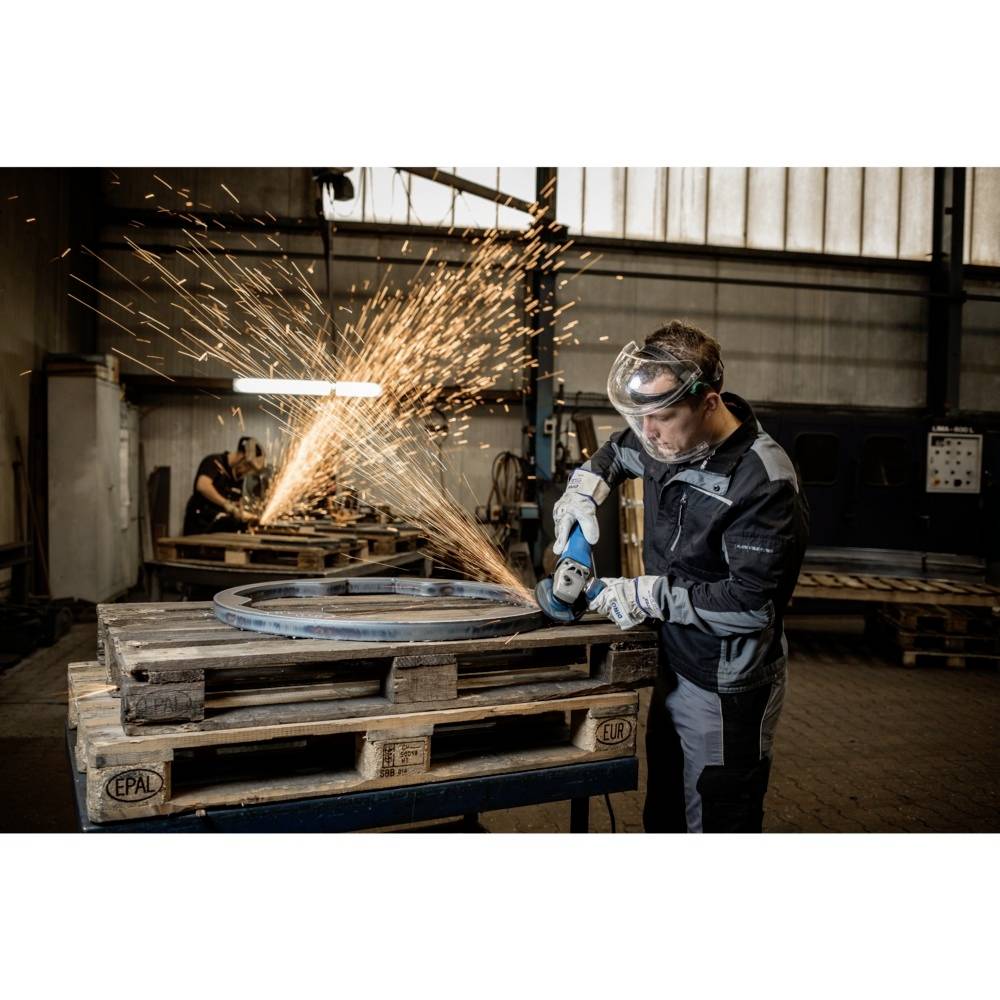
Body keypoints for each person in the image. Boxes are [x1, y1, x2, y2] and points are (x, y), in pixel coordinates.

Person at [553, 321, 809, 833]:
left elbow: (750, 606)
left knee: (716, 819)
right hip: (673, 660)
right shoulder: (666, 436)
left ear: (709, 403)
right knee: (665, 811)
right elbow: (617, 453)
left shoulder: (763, 481)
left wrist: (645, 594)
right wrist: (584, 488)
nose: (649, 433)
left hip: (724, 683)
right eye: (641, 417)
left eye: (662, 418)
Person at [182, 436, 265, 535]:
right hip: (199, 525)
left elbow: (237, 504)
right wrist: (226, 504)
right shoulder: (214, 462)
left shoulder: (237, 478)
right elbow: (203, 486)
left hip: (218, 529)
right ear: (241, 455)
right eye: (248, 466)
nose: (247, 471)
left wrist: (241, 513)